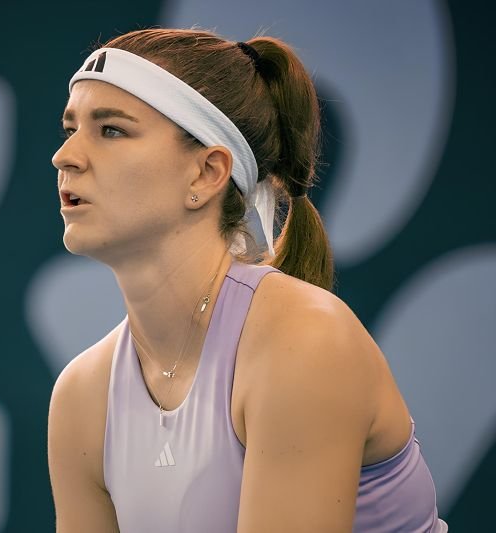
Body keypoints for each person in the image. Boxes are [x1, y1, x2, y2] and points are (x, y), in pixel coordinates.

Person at [47, 27, 446, 533]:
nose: (65, 156)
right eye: (70, 128)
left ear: (206, 173)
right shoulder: (81, 396)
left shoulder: (304, 341)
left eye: (111, 130)